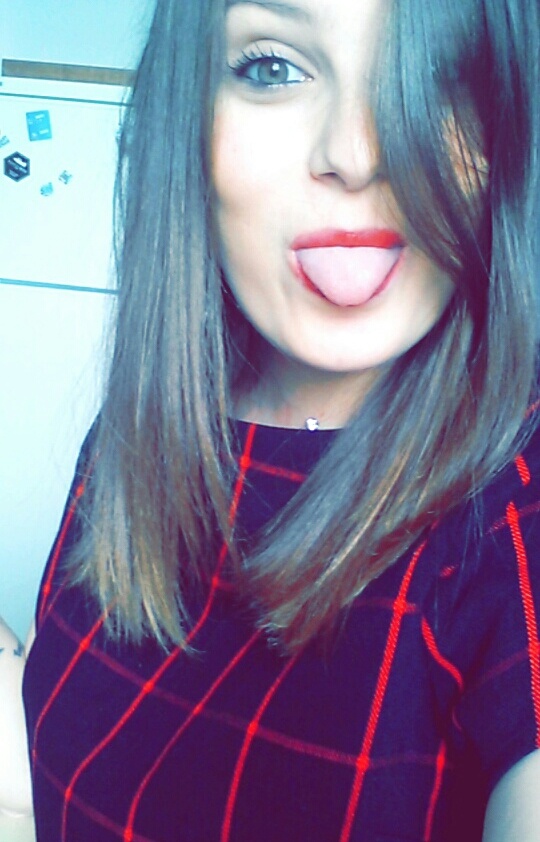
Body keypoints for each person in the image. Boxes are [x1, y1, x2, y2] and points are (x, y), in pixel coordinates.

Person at [13, 0, 540, 838]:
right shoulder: (134, 433)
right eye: (271, 67)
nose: (358, 155)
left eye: (445, 77)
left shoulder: (513, 512)